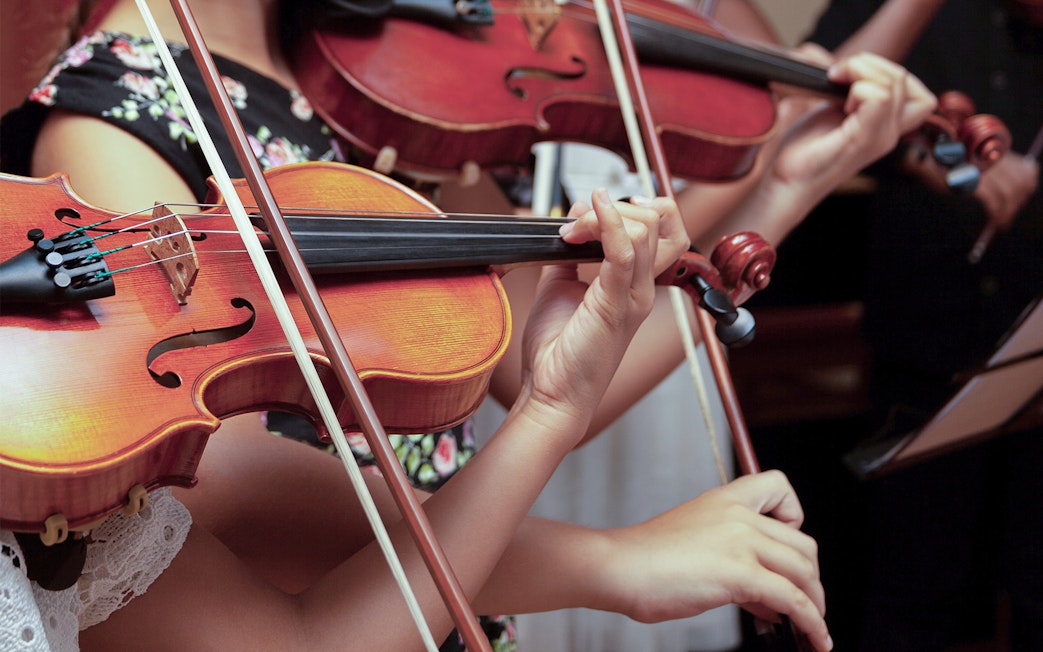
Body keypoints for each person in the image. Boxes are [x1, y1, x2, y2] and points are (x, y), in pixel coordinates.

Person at [0, 0, 937, 649]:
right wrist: (603, 559)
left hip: (444, 597)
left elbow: (553, 370)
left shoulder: (372, 81)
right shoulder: (111, 122)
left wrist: (790, 182)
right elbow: (224, 481)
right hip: (344, 601)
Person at [801, 0, 1043, 649]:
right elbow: (818, 100)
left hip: (1030, 323)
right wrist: (927, 162)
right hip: (924, 331)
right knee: (914, 583)